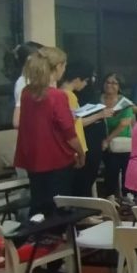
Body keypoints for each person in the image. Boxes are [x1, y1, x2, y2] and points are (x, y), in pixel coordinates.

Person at [13, 47, 84, 216]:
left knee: (39, 204)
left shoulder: (26, 93)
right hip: (56, 159)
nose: (64, 71)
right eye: (64, 66)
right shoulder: (57, 96)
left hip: (33, 158)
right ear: (58, 66)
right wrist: (81, 153)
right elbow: (69, 132)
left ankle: (37, 231)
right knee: (59, 208)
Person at [59, 60, 109, 197]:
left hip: (82, 144)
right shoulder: (68, 95)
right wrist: (80, 151)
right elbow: (73, 125)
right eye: (86, 80)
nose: (87, 83)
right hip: (78, 145)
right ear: (77, 78)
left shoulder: (67, 94)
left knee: (83, 182)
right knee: (81, 184)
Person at [95, 73, 135, 198]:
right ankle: (110, 195)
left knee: (123, 166)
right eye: (107, 82)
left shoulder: (125, 102)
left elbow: (124, 123)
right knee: (110, 168)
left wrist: (107, 140)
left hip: (121, 141)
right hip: (101, 139)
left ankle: (127, 195)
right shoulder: (97, 100)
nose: (109, 85)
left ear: (119, 86)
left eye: (114, 83)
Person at [9, 41, 43, 128]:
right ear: (30, 60)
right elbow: (17, 121)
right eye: (41, 59)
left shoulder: (36, 79)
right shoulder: (23, 83)